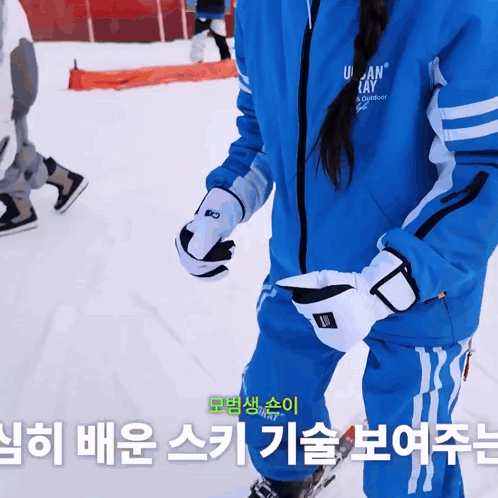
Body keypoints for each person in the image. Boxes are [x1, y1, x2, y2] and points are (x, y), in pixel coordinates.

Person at [176, 0, 498, 496]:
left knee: (409, 475)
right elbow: (264, 130)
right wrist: (221, 206)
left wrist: (384, 287)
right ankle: (290, 478)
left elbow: (482, 165)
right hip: (301, 271)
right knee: (269, 405)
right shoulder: (261, 11)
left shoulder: (449, 8)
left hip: (421, 287)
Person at [0, 0, 88, 237]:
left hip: (8, 73)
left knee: (3, 149)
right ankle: (66, 180)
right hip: (18, 66)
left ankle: (19, 208)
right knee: (15, 146)